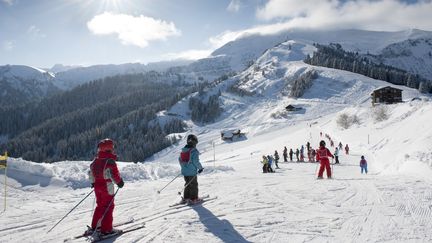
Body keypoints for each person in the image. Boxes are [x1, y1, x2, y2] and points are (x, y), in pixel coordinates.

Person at [88, 138, 124, 236]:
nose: (113, 150)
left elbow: (91, 172)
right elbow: (114, 175)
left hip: (97, 186)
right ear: (108, 149)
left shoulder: (96, 161)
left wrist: (93, 182)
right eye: (112, 148)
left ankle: (96, 226)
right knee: (108, 206)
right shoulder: (110, 162)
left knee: (100, 206)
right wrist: (120, 182)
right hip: (106, 187)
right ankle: (107, 229)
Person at [179, 134, 204, 204]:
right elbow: (195, 161)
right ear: (194, 142)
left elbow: (180, 159)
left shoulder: (183, 150)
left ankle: (186, 198)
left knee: (187, 184)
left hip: (185, 172)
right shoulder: (194, 151)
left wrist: (184, 167)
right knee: (194, 185)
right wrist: (200, 168)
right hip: (192, 172)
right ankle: (193, 199)